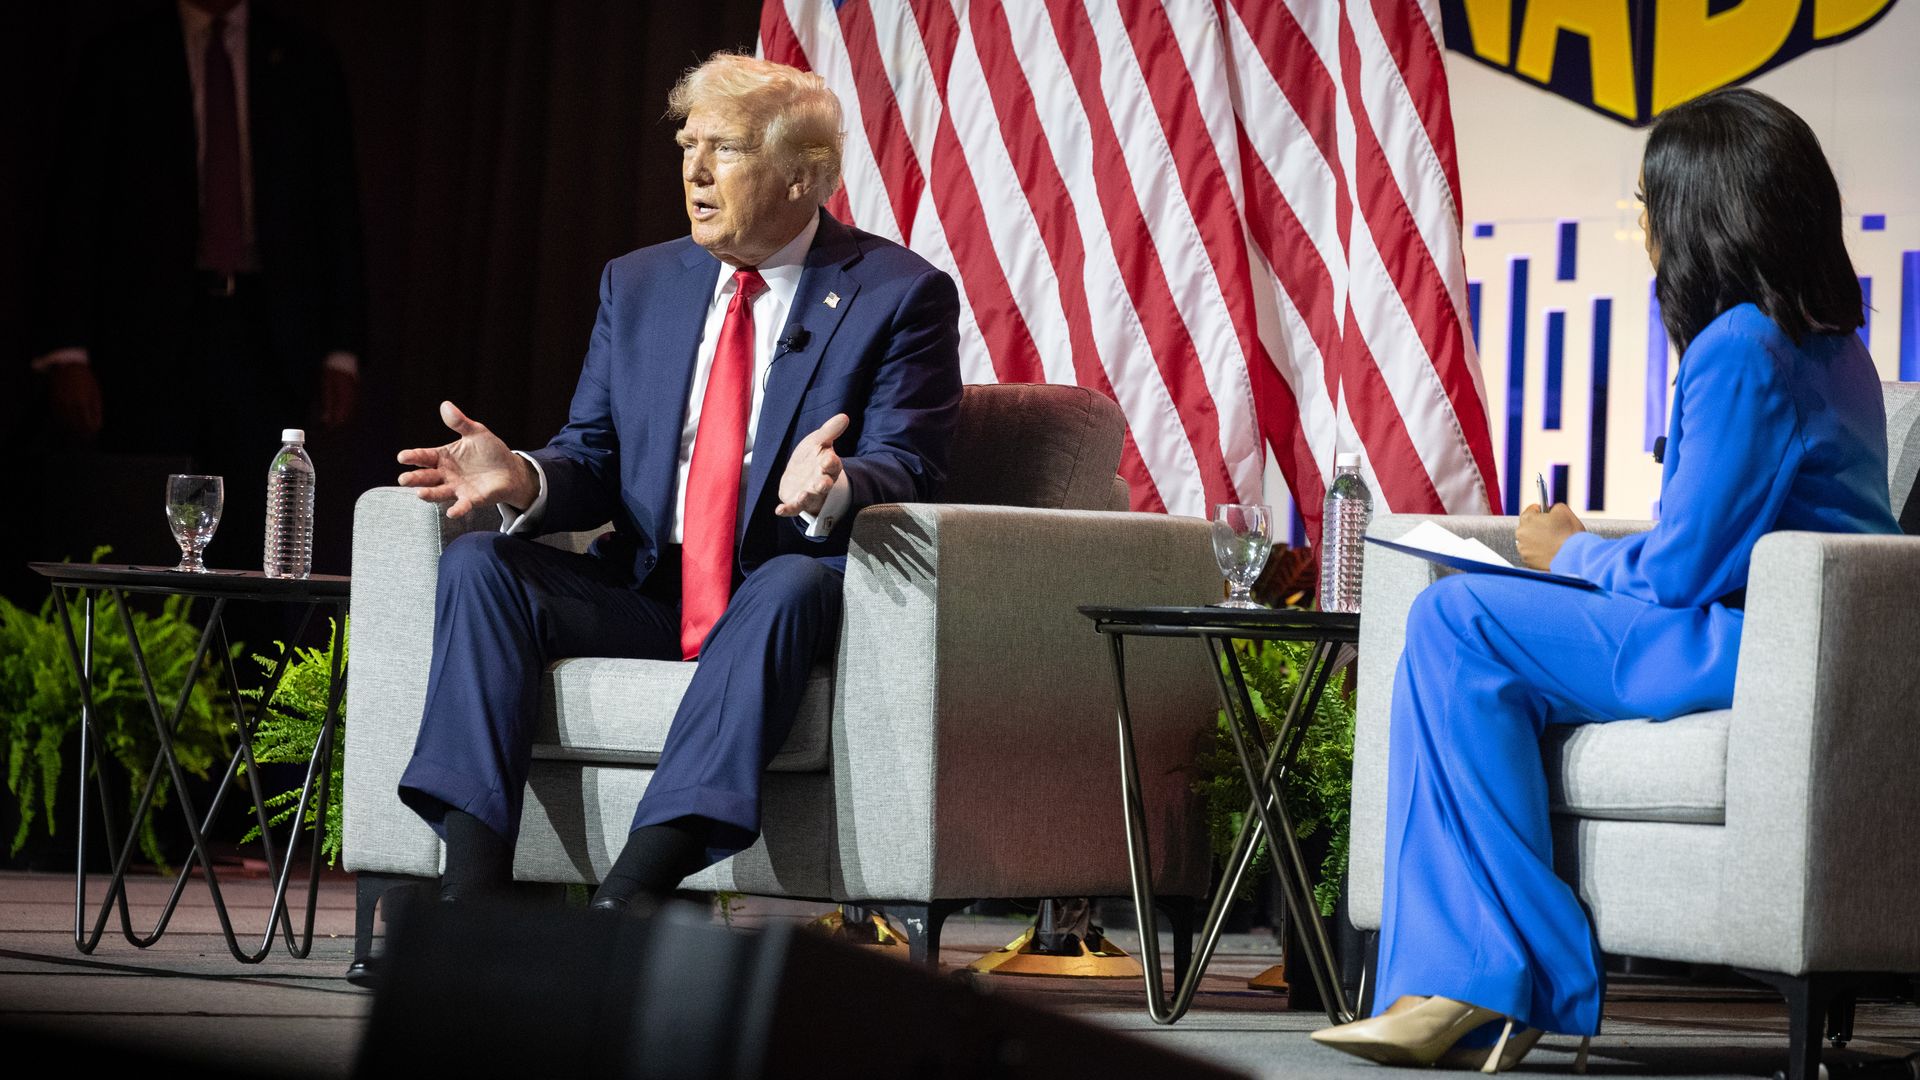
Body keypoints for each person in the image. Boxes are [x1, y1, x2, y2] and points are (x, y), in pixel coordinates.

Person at [1311, 87, 1901, 1072]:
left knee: (1457, 620)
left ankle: (1485, 981)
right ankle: (1480, 977)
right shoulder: (1831, 346)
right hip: (1781, 640)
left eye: (1650, 205)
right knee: (1467, 634)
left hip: (1741, 643)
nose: (1645, 231)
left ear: (1705, 212)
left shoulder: (1740, 347)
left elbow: (1682, 572)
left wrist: (1569, 551)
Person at [390, 54, 961, 914]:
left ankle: (634, 894)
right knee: (481, 568)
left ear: (802, 176)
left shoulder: (898, 294)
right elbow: (593, 456)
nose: (694, 172)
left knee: (790, 583)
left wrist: (837, 486)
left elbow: (911, 463)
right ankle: (469, 903)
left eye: (724, 149)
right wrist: (525, 477)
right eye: (688, 146)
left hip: (778, 589)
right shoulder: (640, 283)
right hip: (650, 592)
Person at [32, 0, 364, 574]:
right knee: (143, 528)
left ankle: (249, 639)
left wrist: (342, 349)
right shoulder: (122, 54)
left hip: (267, 334)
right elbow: (76, 204)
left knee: (260, 539)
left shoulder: (302, 57)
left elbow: (337, 205)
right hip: (145, 333)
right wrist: (67, 347)